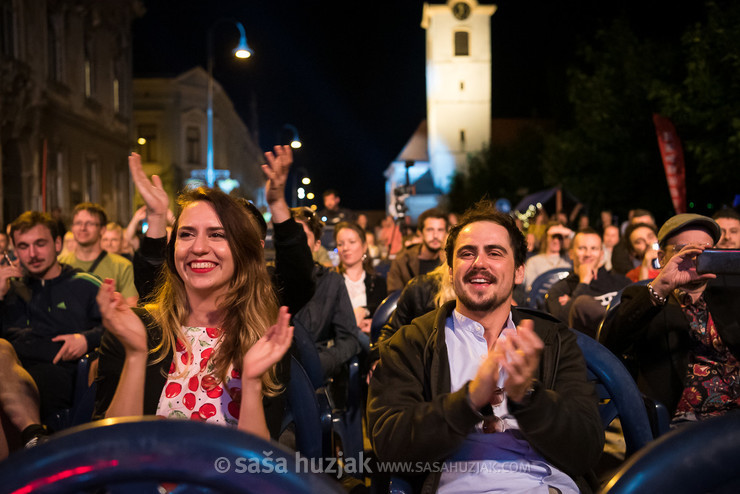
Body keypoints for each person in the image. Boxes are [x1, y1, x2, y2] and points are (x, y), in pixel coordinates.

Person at [368, 200, 603, 493]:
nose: (479, 262)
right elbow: (390, 443)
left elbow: (587, 447)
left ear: (519, 272)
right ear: (451, 271)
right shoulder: (411, 342)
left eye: (494, 252)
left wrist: (529, 398)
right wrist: (468, 401)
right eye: (467, 253)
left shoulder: (552, 339)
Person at [94, 187, 293, 439]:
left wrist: (251, 383)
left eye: (217, 235)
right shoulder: (135, 329)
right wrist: (135, 355)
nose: (198, 248)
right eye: (186, 234)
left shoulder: (263, 338)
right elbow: (110, 449)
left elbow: (256, 467)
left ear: (243, 250)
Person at [599, 214, 740, 423]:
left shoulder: (730, 293)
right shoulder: (645, 297)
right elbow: (608, 345)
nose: (694, 258)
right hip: (684, 422)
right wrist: (661, 287)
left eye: (704, 251)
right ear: (662, 257)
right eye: (684, 251)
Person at [0, 211, 103, 458]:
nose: (32, 254)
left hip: (56, 376)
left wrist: (85, 339)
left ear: (57, 244)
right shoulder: (8, 288)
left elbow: (117, 328)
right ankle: (32, 436)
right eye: (23, 246)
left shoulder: (85, 284)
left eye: (40, 244)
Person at [290, 208, 362, 378]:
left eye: (302, 237)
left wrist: (320, 362)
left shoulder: (331, 282)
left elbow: (349, 340)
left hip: (313, 370)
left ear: (316, 245)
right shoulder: (267, 281)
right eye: (289, 236)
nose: (295, 243)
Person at [546, 228, 630, 337]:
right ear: (571, 254)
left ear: (602, 254)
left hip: (625, 342)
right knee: (583, 303)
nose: (588, 254)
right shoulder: (559, 290)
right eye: (582, 248)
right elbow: (563, 325)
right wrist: (583, 283)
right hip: (589, 348)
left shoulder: (622, 282)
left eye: (594, 248)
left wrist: (572, 300)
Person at [59, 203, 138, 306]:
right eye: (78, 223)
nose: (83, 228)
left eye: (90, 223)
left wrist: (119, 303)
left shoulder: (122, 266)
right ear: (72, 228)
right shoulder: (59, 264)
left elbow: (132, 308)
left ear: (102, 229)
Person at [334, 222, 387, 336]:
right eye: (340, 244)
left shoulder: (378, 282)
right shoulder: (330, 282)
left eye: (352, 242)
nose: (346, 248)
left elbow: (383, 312)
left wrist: (365, 312)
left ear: (364, 246)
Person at [387, 208, 448, 292]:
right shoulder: (402, 261)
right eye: (430, 230)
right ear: (420, 233)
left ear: (446, 233)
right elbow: (393, 297)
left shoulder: (449, 261)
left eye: (440, 230)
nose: (435, 236)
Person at [522, 222, 573, 292]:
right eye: (553, 237)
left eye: (560, 238)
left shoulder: (569, 260)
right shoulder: (534, 261)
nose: (556, 241)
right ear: (546, 238)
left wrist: (569, 233)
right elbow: (530, 290)